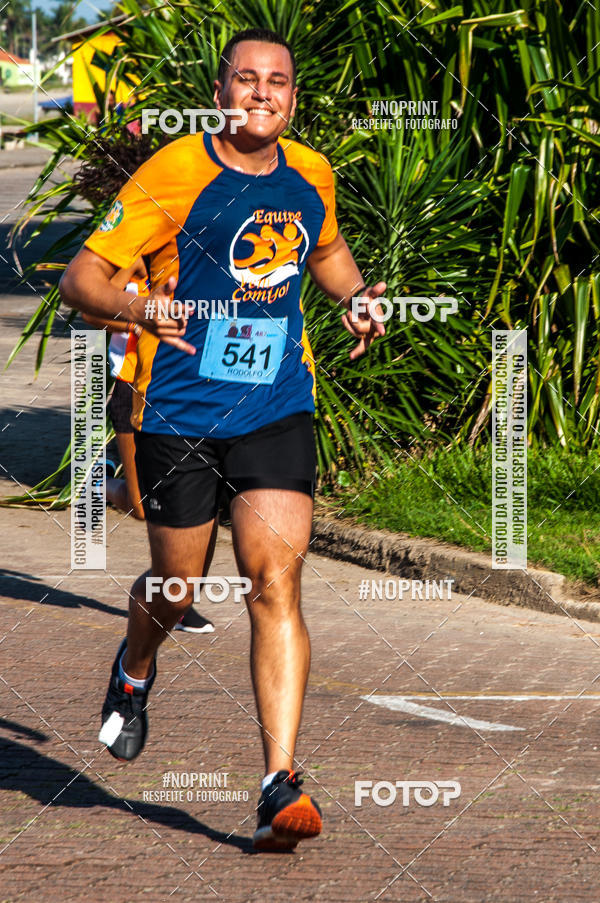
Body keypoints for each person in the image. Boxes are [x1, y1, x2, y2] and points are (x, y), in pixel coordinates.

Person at [59, 27, 385, 851]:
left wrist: (352, 297)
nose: (262, 94)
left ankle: (281, 782)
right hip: (179, 414)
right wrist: (139, 309)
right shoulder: (175, 171)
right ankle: (135, 669)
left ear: (293, 99)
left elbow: (330, 247)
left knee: (274, 581)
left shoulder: (311, 171)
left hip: (276, 405)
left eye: (277, 82)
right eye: (246, 79)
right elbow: (80, 280)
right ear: (220, 91)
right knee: (178, 587)